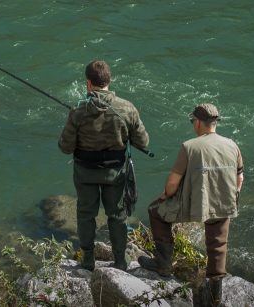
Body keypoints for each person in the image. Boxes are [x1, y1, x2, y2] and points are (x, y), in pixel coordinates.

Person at [138, 103, 244, 306]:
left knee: (155, 211)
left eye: (192, 121)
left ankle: (164, 264)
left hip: (192, 204)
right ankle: (216, 291)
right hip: (223, 202)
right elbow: (240, 178)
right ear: (215, 123)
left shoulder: (189, 146)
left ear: (198, 122)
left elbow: (172, 184)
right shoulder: (232, 145)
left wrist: (166, 196)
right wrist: (233, 195)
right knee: (218, 244)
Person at [58, 60, 149, 271]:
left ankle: (88, 260)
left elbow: (65, 147)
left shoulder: (78, 111)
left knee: (86, 215)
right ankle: (120, 261)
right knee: (117, 216)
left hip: (85, 172)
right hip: (115, 173)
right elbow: (143, 142)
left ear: (88, 83)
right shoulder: (127, 108)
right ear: (109, 80)